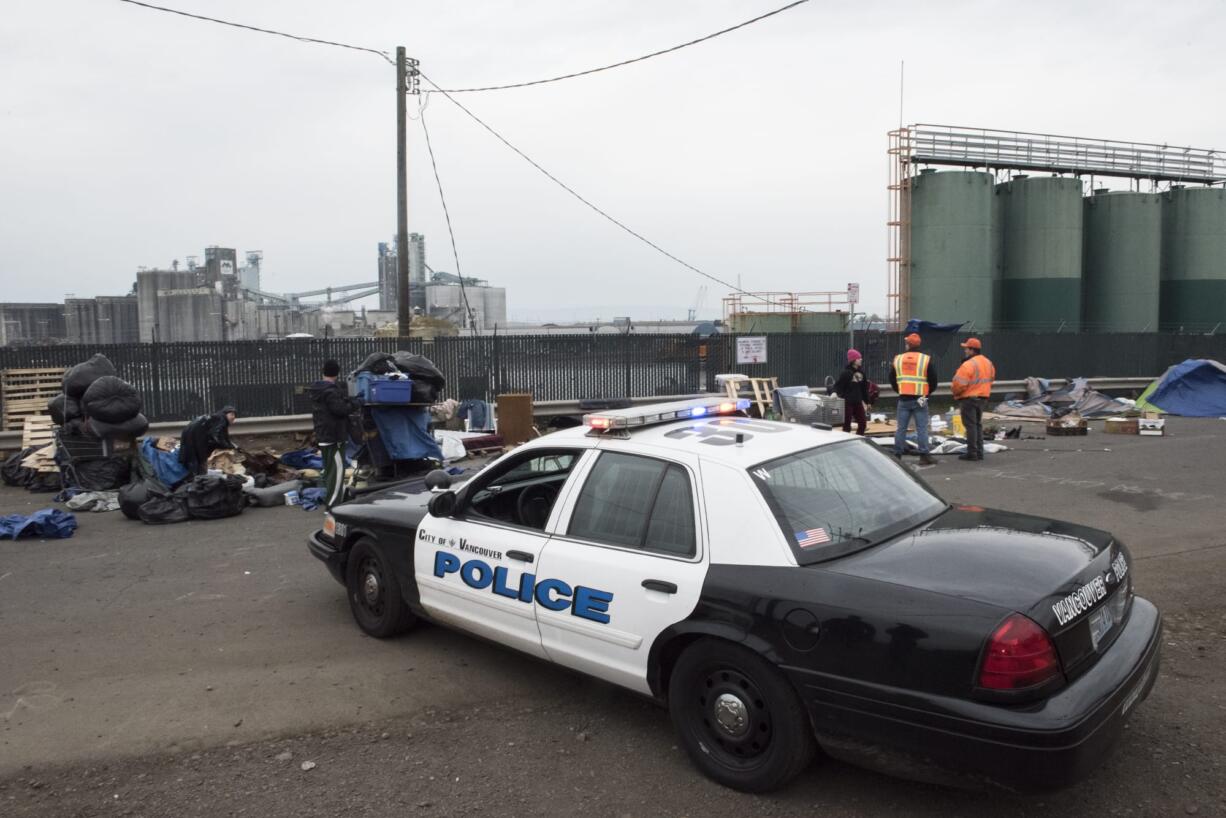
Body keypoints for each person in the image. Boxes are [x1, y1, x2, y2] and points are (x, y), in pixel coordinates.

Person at [309, 360, 361, 510]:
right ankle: (333, 506)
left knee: (329, 470)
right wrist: (357, 403)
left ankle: (332, 500)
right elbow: (340, 410)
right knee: (337, 472)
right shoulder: (331, 391)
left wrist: (350, 401)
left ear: (323, 371)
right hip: (334, 437)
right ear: (337, 373)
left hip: (324, 435)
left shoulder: (318, 389)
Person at [889, 334, 938, 466]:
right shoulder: (925, 359)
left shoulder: (898, 359)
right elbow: (933, 380)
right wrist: (926, 395)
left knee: (901, 429)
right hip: (920, 399)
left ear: (908, 345)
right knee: (921, 428)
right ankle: (924, 455)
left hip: (904, 398)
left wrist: (900, 390)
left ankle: (897, 455)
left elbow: (892, 379)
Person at [951, 337, 996, 461]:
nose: (965, 351)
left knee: (970, 426)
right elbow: (991, 379)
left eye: (966, 349)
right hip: (982, 398)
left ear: (972, 350)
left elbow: (958, 384)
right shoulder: (988, 363)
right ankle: (979, 452)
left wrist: (956, 394)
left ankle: (972, 453)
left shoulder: (968, 364)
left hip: (969, 399)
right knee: (977, 425)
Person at [178, 405, 238, 475]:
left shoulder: (217, 419)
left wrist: (230, 445)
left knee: (197, 460)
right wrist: (228, 446)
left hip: (191, 438)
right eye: (231, 414)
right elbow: (216, 436)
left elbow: (222, 436)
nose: (233, 417)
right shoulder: (221, 419)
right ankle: (198, 479)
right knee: (198, 461)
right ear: (225, 414)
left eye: (235, 415)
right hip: (194, 439)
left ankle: (197, 477)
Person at [833, 349, 870, 435]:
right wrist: (834, 392)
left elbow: (864, 388)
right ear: (853, 360)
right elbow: (838, 385)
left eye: (860, 358)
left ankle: (857, 439)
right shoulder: (846, 373)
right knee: (847, 426)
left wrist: (868, 401)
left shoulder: (862, 373)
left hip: (858, 402)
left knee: (863, 424)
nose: (861, 359)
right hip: (847, 403)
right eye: (858, 358)